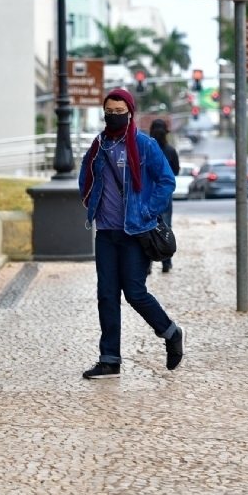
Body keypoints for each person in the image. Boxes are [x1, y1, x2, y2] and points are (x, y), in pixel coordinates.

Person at [78, 89, 184, 379]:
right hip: (106, 233)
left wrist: (147, 212)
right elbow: (85, 177)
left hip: (136, 232)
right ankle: (109, 359)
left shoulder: (144, 145)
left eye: (119, 111)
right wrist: (92, 204)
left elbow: (166, 181)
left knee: (135, 292)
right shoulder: (99, 146)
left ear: (130, 112)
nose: (114, 116)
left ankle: (171, 333)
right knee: (107, 295)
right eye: (109, 112)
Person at [149, 118, 179, 274]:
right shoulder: (170, 151)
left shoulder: (146, 149)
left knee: (147, 228)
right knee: (165, 227)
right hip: (165, 195)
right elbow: (176, 171)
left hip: (148, 195)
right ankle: (166, 261)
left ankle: (147, 264)